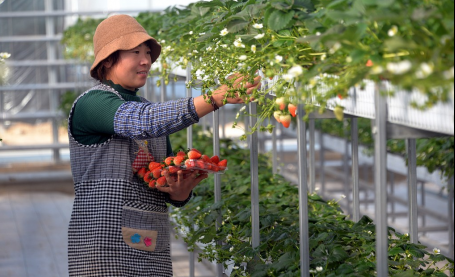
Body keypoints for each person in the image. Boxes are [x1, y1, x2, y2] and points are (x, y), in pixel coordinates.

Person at [67, 14, 260, 277]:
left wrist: (179, 191)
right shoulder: (92, 103)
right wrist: (216, 97)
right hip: (102, 245)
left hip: (149, 242)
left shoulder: (146, 109)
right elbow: (140, 122)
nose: (146, 60)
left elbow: (165, 177)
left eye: (147, 52)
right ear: (108, 59)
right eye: (135, 52)